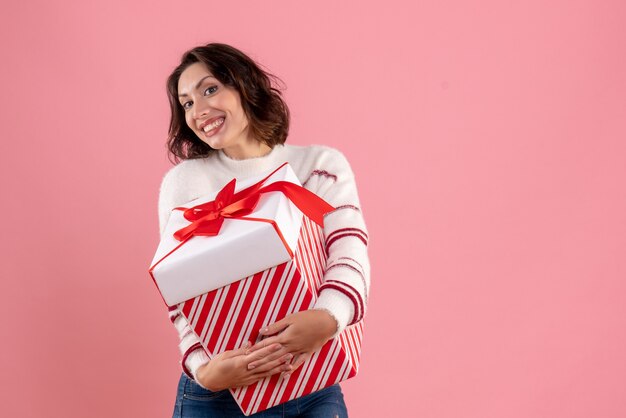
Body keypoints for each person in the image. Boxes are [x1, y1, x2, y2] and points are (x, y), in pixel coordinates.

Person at [158, 43, 370, 418]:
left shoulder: (319, 165)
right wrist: (204, 369)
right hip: (218, 394)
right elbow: (180, 292)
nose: (198, 110)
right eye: (187, 103)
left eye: (210, 89)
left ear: (245, 86)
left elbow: (349, 252)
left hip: (311, 381)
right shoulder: (184, 182)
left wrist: (327, 319)